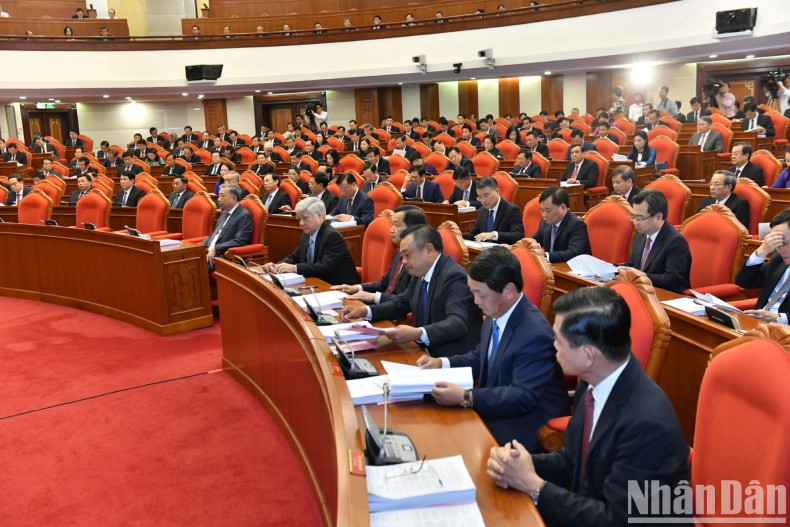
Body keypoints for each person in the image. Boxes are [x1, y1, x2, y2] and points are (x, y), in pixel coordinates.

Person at [487, 286, 689, 526]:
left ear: (588, 355)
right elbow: (573, 460)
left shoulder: (647, 424)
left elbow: (617, 520)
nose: (553, 347)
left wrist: (534, 486)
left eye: (559, 341)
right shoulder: (592, 382)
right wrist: (522, 464)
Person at [418, 247, 569, 449]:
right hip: (497, 403)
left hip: (528, 422)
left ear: (508, 290)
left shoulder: (535, 333)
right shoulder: (496, 311)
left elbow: (523, 396)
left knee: (449, 441)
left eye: (480, 294)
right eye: (472, 292)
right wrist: (441, 363)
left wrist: (466, 397)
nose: (475, 301)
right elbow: (481, 356)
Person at [340, 224, 482, 357]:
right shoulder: (420, 272)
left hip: (451, 355)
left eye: (407, 255)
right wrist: (365, 311)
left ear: (428, 250)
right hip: (425, 350)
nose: (404, 261)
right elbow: (402, 303)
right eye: (402, 256)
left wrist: (418, 333)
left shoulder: (453, 276)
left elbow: (457, 323)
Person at [332, 204, 426, 304]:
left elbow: (407, 300)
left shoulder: (419, 261)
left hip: (396, 311)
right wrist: (356, 288)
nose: (391, 229)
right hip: (384, 303)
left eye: (396, 225)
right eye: (392, 225)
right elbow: (384, 283)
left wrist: (374, 297)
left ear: (413, 228)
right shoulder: (399, 252)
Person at [270, 197, 359, 285]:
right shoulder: (305, 235)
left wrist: (294, 268)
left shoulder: (332, 236)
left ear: (319, 215)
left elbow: (325, 266)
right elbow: (294, 257)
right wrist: (276, 266)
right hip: (318, 282)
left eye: (305, 218)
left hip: (340, 287)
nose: (301, 223)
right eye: (299, 219)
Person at [621, 190, 691, 293]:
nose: (636, 222)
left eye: (640, 218)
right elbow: (633, 266)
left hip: (665, 298)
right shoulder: (640, 236)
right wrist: (609, 268)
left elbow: (673, 280)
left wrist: (641, 276)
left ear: (658, 216)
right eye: (633, 217)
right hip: (642, 291)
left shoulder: (676, 242)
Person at [735, 209, 790, 323]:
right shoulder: (778, 259)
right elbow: (744, 282)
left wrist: (779, 319)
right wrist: (762, 251)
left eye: (784, 243)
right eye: (776, 244)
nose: (780, 250)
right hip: (760, 328)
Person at [531, 186, 591, 263]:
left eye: (548, 211)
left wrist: (546, 255)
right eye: (542, 210)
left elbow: (573, 253)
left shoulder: (577, 225)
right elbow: (533, 241)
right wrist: (520, 247)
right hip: (553, 268)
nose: (544, 215)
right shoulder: (545, 223)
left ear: (563, 207)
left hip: (575, 270)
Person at [201, 184, 253, 272]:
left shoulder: (244, 215)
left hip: (222, 255)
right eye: (219, 196)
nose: (219, 199)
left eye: (222, 196)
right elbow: (215, 235)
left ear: (233, 198)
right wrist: (200, 246)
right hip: (208, 251)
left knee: (194, 268)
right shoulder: (224, 212)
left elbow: (240, 240)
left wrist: (216, 248)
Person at [462, 177, 524, 244]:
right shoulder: (482, 210)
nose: (483, 200)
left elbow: (518, 236)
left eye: (486, 195)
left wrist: (494, 235)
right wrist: (458, 235)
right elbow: (474, 235)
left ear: (497, 191)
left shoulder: (511, 210)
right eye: (480, 197)